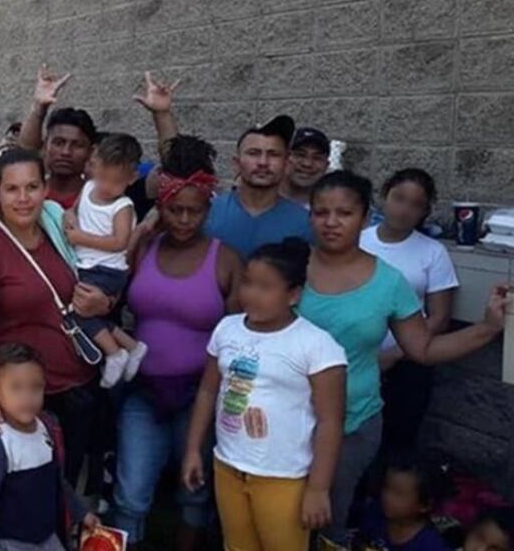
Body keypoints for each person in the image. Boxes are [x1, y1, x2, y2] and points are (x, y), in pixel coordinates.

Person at [297, 171, 508, 546]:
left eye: (344, 213)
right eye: (321, 212)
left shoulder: (389, 282)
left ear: (364, 218)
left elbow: (423, 349)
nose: (331, 222)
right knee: (280, 513)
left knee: (329, 516)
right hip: (286, 418)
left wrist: (488, 328)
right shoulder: (293, 265)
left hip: (353, 422)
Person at [111, 134, 242, 549]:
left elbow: (240, 336)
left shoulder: (226, 258)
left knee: (194, 493)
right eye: (174, 210)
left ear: (208, 210)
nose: (184, 220)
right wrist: (140, 233)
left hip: (198, 395)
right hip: (144, 392)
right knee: (130, 494)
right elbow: (115, 293)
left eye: (195, 211)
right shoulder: (146, 245)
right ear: (160, 208)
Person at [181, 238, 347, 551]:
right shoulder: (227, 330)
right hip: (228, 465)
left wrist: (318, 488)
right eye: (247, 283)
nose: (251, 295)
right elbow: (207, 390)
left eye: (265, 287)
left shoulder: (316, 346)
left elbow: (330, 421)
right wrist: (193, 448)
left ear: (294, 294)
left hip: (284, 476)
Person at [0, 148, 114, 485]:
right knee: (26, 491)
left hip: (76, 383)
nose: (23, 198)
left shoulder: (60, 227)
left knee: (72, 492)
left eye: (31, 187)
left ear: (45, 188)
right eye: (12, 189)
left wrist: (104, 301)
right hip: (20, 395)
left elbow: (99, 275)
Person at [138, 72, 312, 256]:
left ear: (286, 163)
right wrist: (162, 115)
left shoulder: (305, 224)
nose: (263, 162)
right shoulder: (206, 213)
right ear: (236, 163)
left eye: (273, 154)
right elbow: (177, 166)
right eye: (254, 153)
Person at [0, 344, 99, 551]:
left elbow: (59, 482)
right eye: (16, 387)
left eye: (35, 387)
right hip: (9, 543)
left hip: (47, 538)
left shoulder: (49, 429)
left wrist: (82, 513)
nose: (27, 397)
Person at [361, 168, 458, 456]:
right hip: (354, 359)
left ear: (425, 211)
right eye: (399, 198)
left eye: (415, 204)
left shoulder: (433, 252)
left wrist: (395, 355)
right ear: (384, 197)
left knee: (397, 442)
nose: (404, 210)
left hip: (407, 365)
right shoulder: (358, 240)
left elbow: (439, 317)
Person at [62, 133, 148, 388]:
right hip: (85, 263)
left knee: (80, 313)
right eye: (102, 177)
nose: (106, 186)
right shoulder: (88, 188)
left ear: (131, 179)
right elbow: (73, 210)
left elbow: (120, 241)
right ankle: (132, 346)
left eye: (116, 182)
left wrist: (80, 237)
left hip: (107, 269)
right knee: (89, 313)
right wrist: (69, 218)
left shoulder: (122, 206)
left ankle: (115, 353)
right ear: (93, 164)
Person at [18, 66, 95, 210]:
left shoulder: (99, 199)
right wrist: (38, 108)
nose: (66, 152)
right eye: (58, 143)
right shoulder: (26, 196)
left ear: (90, 151)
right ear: (46, 145)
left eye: (77, 145)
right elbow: (26, 150)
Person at [357, 456, 453, 551]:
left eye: (398, 493)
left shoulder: (431, 545)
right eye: (386, 487)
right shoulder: (375, 513)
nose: (387, 496)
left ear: (425, 505)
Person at [281, 127, 331, 207]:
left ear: (326, 166)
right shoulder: (262, 200)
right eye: (300, 155)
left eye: (317, 158)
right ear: (285, 158)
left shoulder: (329, 210)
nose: (307, 164)